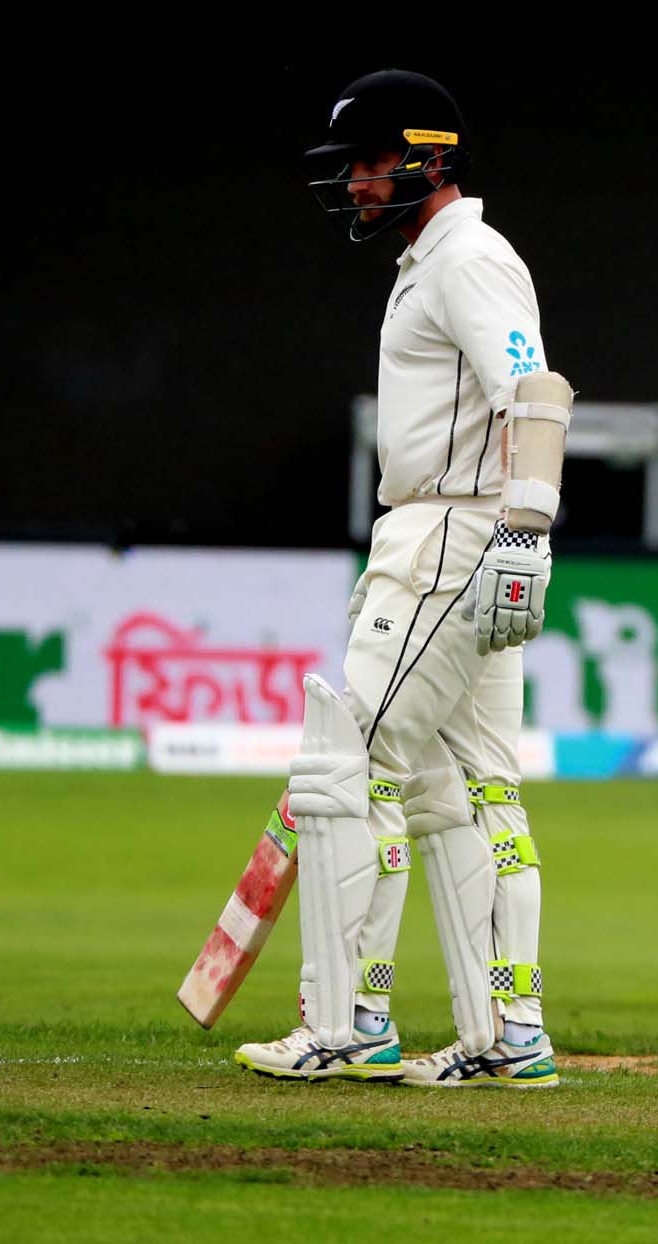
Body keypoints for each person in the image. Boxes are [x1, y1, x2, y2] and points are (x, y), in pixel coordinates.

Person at [232, 69, 567, 1088]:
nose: (356, 185)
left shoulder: (465, 256)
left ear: (424, 157)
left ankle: (346, 1018)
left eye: (369, 165)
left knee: (353, 769)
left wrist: (524, 529)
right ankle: (507, 1032)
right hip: (461, 532)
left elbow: (533, 388)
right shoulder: (439, 257)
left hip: (447, 540)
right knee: (470, 790)